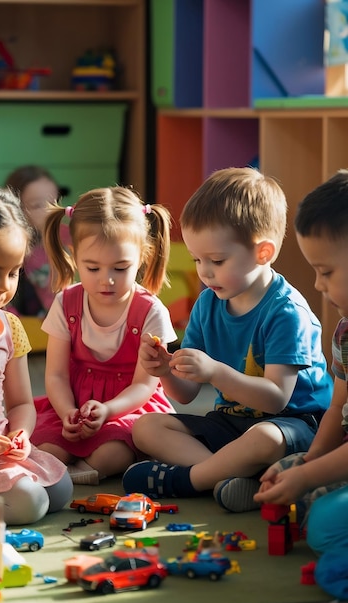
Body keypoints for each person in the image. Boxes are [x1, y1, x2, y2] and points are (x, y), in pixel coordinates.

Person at [122, 167, 333, 513]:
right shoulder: (208, 303)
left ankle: (189, 481)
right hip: (231, 422)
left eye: (216, 261)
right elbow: (187, 394)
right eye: (197, 259)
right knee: (145, 426)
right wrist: (165, 371)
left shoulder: (286, 312)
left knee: (263, 438)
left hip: (294, 426)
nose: (204, 272)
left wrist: (215, 373)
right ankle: (223, 478)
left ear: (263, 253)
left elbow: (276, 399)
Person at [30, 185, 177, 485]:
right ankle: (67, 468)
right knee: (47, 447)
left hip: (126, 406)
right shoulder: (66, 303)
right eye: (93, 267)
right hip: (72, 402)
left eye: (121, 268)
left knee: (113, 454)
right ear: (75, 254)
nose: (106, 280)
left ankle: (77, 472)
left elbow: (144, 386)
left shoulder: (149, 311)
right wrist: (68, 412)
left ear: (142, 257)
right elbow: (56, 375)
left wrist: (108, 410)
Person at [253, 170, 348, 600]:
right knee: (290, 482)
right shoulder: (344, 333)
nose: (317, 285)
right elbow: (337, 410)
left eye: (326, 271)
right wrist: (307, 462)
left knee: (325, 525)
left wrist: (310, 474)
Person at [0, 187, 72, 525]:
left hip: (2, 453)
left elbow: (21, 404)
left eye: (13, 273)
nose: (4, 286)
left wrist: (21, 434)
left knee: (61, 491)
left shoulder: (9, 326)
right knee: (31, 504)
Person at [5, 165, 70, 317]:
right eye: (37, 205)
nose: (50, 211)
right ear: (15, 208)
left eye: (54, 201)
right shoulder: (10, 246)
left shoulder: (69, 236)